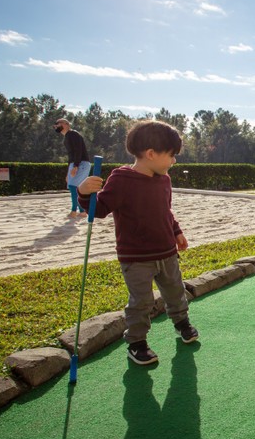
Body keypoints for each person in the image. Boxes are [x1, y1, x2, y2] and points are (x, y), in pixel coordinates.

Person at [77, 120, 198, 366]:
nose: (174, 160)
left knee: (175, 291)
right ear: (151, 154)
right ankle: (137, 343)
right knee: (141, 302)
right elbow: (99, 209)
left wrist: (176, 231)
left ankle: (182, 323)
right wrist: (84, 192)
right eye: (171, 155)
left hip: (167, 252)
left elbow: (166, 211)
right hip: (136, 257)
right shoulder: (121, 179)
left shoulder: (164, 179)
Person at [53, 118, 91, 218]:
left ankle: (74, 211)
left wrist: (76, 166)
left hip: (81, 163)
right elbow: (71, 156)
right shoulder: (67, 137)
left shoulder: (73, 134)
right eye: (55, 125)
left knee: (73, 186)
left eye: (58, 123)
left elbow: (78, 150)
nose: (56, 126)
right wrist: (68, 172)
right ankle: (82, 211)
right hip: (76, 163)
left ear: (66, 124)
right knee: (73, 187)